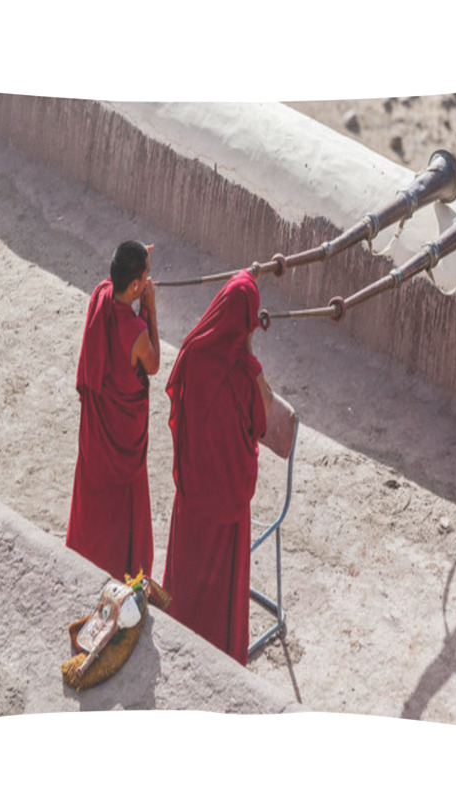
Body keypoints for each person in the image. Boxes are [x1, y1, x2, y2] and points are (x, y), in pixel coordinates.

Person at [162, 269, 273, 665]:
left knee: (188, 578)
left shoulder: (192, 353)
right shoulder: (247, 374)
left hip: (192, 491)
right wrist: (251, 352)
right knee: (221, 588)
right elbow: (261, 425)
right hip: (227, 498)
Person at [66, 240, 160, 580]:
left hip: (97, 432)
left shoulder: (100, 296)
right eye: (144, 278)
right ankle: (125, 573)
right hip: (122, 440)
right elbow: (154, 366)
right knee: (124, 508)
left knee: (95, 501)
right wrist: (149, 309)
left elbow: (114, 281)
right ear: (135, 285)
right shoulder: (135, 332)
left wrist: (136, 260)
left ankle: (84, 556)